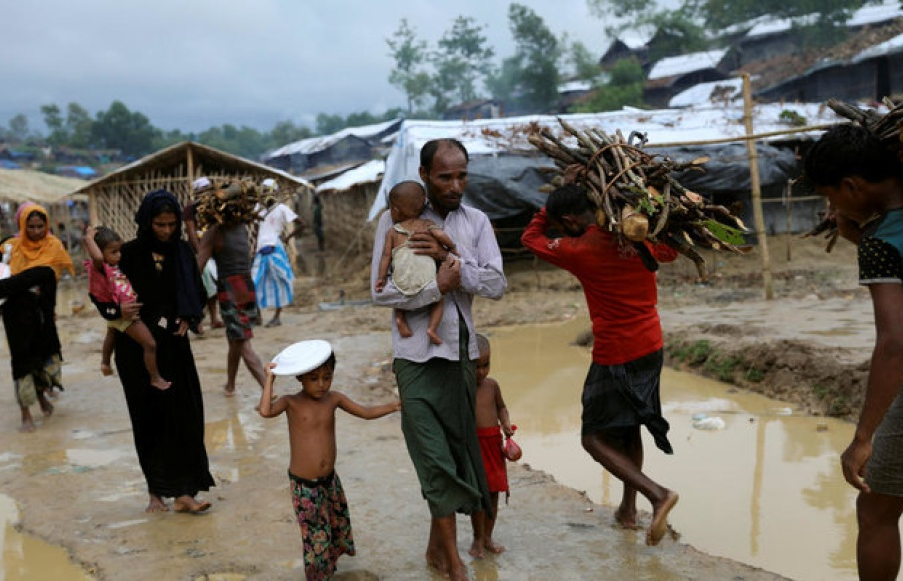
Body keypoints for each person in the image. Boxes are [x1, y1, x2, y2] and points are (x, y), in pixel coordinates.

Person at [370, 138, 507, 581]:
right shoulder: (395, 222)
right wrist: (435, 290)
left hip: (460, 356)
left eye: (462, 174)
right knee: (432, 456)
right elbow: (380, 292)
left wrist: (453, 261)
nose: (455, 184)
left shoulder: (477, 222)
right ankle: (453, 562)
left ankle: (436, 549)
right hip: (414, 359)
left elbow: (497, 283)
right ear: (425, 174)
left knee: (455, 451)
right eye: (445, 176)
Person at [521, 184, 680, 547]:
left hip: (617, 352)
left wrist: (546, 212)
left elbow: (531, 238)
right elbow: (670, 251)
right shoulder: (637, 232)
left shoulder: (581, 248)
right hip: (651, 344)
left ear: (569, 219)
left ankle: (658, 495)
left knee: (592, 438)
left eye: (564, 225)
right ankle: (627, 509)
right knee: (630, 427)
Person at [803, 123, 903, 581]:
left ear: (852, 186)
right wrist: (858, 236)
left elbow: (895, 343)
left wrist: (863, 437)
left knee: (876, 509)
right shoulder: (880, 238)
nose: (833, 207)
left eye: (832, 197)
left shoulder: (885, 240)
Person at [95, 189, 214, 513]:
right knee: (148, 419)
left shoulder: (182, 253)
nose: (167, 230)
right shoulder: (128, 254)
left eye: (172, 224)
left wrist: (189, 318)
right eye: (160, 224)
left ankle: (185, 492)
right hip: (136, 352)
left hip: (175, 348)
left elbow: (198, 294)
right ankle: (156, 494)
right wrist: (118, 311)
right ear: (147, 222)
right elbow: (102, 293)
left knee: (184, 417)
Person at [258, 340, 401, 580]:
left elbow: (365, 412)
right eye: (314, 379)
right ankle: (318, 576)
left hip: (330, 481)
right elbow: (265, 411)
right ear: (299, 378)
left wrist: (395, 405)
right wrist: (270, 380)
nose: (322, 384)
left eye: (327, 377)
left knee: (333, 528)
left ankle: (329, 569)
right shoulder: (290, 402)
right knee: (315, 538)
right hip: (305, 486)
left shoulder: (333, 399)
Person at [5, 203, 74, 431]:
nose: (36, 231)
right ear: (22, 226)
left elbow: (48, 279)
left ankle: (42, 396)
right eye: (31, 227)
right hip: (16, 316)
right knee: (22, 361)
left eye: (40, 226)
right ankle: (25, 413)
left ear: (47, 225)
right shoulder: (9, 247)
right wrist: (29, 281)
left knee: (44, 358)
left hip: (42, 315)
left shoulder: (54, 247)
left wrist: (16, 284)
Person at [196, 189, 267, 396]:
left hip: (230, 290)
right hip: (247, 286)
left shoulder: (214, 233)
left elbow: (197, 269)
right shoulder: (241, 228)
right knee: (235, 339)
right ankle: (230, 385)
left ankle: (267, 389)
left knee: (243, 342)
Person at [83, 225, 170, 390]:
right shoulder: (99, 268)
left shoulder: (114, 266)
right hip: (123, 314)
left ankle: (105, 362)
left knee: (112, 333)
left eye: (119, 250)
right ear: (100, 253)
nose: (119, 255)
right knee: (150, 344)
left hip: (119, 312)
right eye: (113, 252)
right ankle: (155, 377)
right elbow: (98, 258)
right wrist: (88, 238)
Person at [375, 180, 458, 345]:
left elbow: (385, 256)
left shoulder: (393, 231)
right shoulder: (427, 225)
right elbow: (441, 236)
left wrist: (381, 277)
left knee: (399, 299)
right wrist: (452, 248)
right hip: (426, 278)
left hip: (402, 278)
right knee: (438, 300)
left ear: (396, 210)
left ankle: (400, 319)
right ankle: (432, 329)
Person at [469, 333, 513, 558]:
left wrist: (505, 424)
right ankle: (477, 538)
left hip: (493, 446)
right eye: (475, 366)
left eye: (485, 365)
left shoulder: (492, 386)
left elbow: (502, 408)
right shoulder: (462, 389)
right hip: (474, 448)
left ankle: (488, 537)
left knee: (494, 493)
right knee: (478, 494)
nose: (481, 371)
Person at [252, 178, 304, 328]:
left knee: (279, 281)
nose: (265, 194)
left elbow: (302, 223)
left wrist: (287, 237)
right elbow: (256, 232)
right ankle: (258, 316)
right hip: (260, 251)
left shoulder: (281, 209)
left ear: (274, 192)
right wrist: (254, 248)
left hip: (275, 249)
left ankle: (276, 316)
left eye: (267, 191)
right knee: (255, 281)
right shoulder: (259, 209)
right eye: (263, 191)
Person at [184, 177, 224, 331]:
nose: (206, 193)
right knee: (200, 286)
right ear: (197, 192)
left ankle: (214, 318)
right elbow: (191, 231)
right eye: (203, 190)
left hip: (213, 250)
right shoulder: (191, 208)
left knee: (212, 287)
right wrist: (201, 252)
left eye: (208, 190)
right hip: (198, 251)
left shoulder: (215, 206)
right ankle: (198, 321)